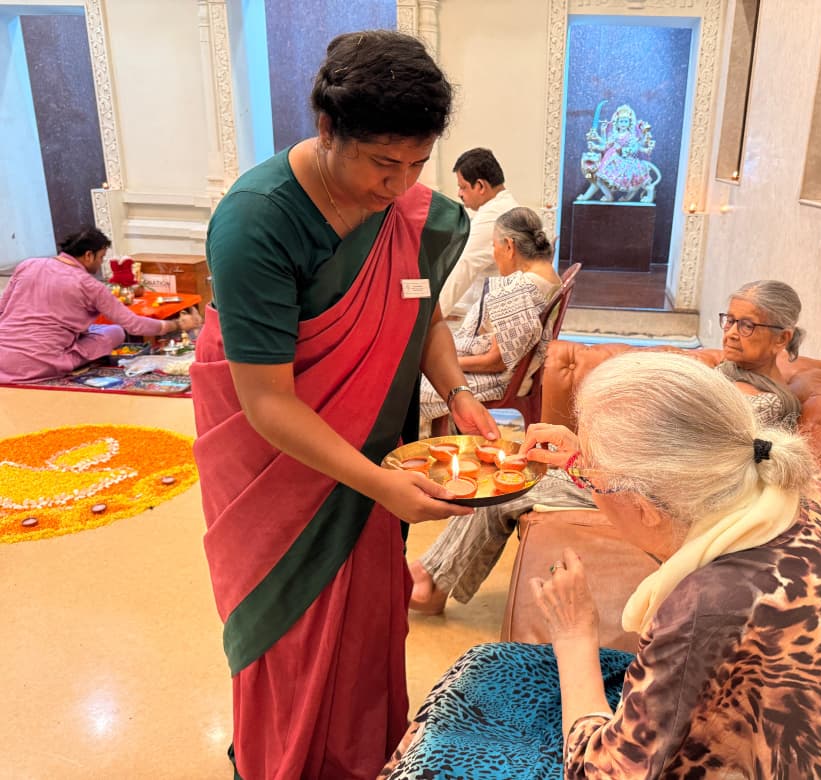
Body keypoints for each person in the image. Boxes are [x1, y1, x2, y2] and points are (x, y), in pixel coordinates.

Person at [189, 31, 499, 780]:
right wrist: (384, 483)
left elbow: (422, 316)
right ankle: (276, 760)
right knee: (289, 625)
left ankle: (359, 759)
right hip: (277, 460)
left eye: (418, 164)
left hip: (370, 450)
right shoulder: (257, 220)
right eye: (381, 163)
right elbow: (266, 402)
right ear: (327, 131)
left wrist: (457, 393)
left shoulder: (420, 217)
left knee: (364, 622)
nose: (400, 186)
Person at [382, 352, 821, 778]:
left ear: (645, 504)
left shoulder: (708, 609)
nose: (584, 475)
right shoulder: (790, 482)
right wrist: (581, 462)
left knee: (452, 730)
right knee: (487, 668)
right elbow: (675, 526)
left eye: (594, 470)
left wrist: (574, 634)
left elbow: (598, 774)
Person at [409, 279, 806, 614]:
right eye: (730, 320)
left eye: (748, 325)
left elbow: (689, 470)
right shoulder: (722, 374)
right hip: (625, 471)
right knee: (518, 467)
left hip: (649, 493)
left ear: (782, 338)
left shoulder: (768, 406)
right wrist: (584, 449)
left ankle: (430, 584)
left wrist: (592, 463)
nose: (732, 332)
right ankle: (431, 575)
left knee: (515, 484)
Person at [0, 227, 199, 383]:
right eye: (101, 257)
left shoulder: (28, 265)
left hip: (3, 357)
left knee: (94, 329)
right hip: (42, 362)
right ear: (89, 255)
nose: (101, 263)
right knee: (115, 331)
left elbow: (2, 309)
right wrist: (177, 325)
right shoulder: (88, 285)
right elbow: (134, 325)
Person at [419, 206, 561, 422]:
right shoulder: (550, 276)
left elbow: (495, 362)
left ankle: (436, 444)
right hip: (522, 370)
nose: (494, 254)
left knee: (418, 383)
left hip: (505, 379)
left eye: (494, 246)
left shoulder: (519, 289)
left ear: (510, 246)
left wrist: (448, 362)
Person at [437, 148, 520, 319]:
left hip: (487, 309)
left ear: (481, 186)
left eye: (463, 187)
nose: (459, 193)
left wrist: (431, 319)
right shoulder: (501, 206)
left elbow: (464, 267)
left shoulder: (494, 215)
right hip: (483, 299)